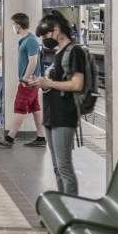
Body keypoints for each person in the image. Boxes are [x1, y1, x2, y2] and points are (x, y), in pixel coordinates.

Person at [29, 11, 86, 195]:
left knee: (64, 167)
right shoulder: (58, 54)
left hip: (64, 115)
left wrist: (48, 83)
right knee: (56, 167)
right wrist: (41, 82)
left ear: (56, 30)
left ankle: (70, 212)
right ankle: (63, 207)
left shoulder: (74, 51)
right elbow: (55, 83)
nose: (44, 39)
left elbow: (77, 84)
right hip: (51, 114)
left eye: (45, 34)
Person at [0, 13, 46, 148]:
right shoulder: (25, 40)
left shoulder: (31, 40)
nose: (12, 27)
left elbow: (33, 63)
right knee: (35, 107)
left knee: (20, 107)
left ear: (17, 25)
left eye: (13, 25)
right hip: (31, 80)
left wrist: (25, 79)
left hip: (29, 81)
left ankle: (9, 138)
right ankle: (41, 137)